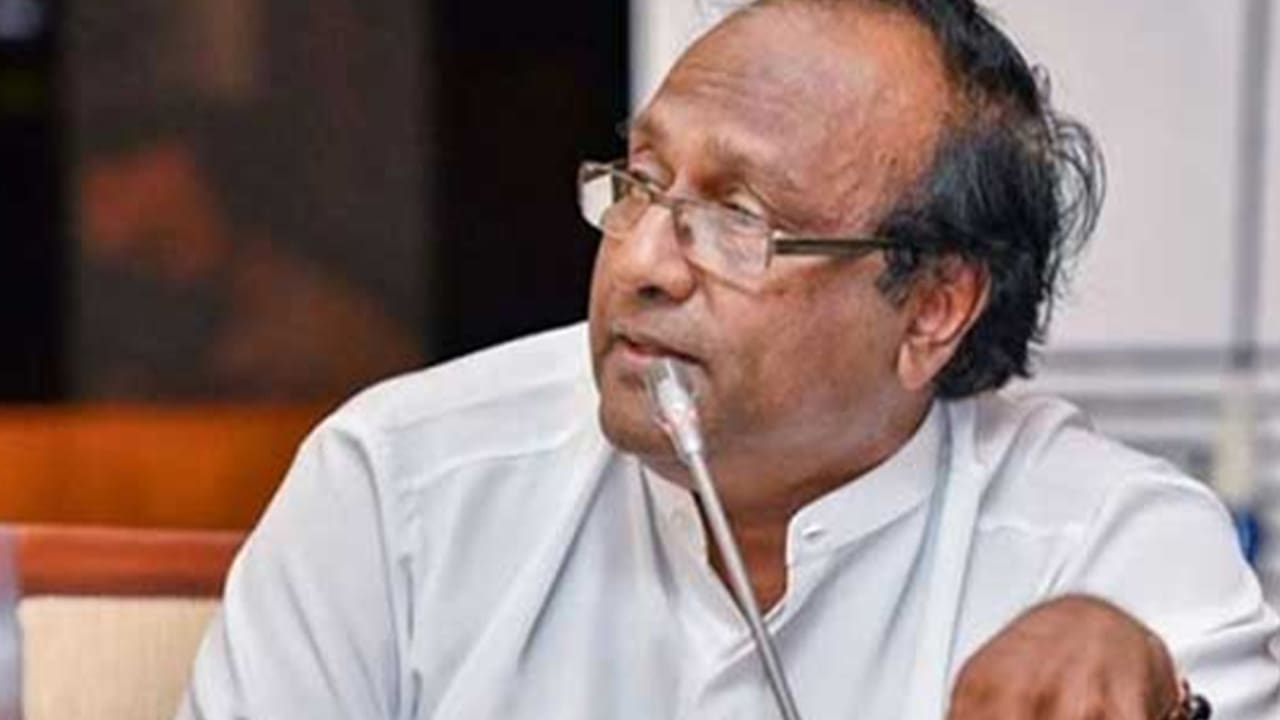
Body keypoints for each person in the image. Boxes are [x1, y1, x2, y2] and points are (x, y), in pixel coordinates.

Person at [180, 0, 1280, 717]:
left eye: (738, 219)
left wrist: (1153, 696)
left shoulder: (1104, 554)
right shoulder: (399, 485)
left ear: (932, 309)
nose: (641, 261)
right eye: (640, 182)